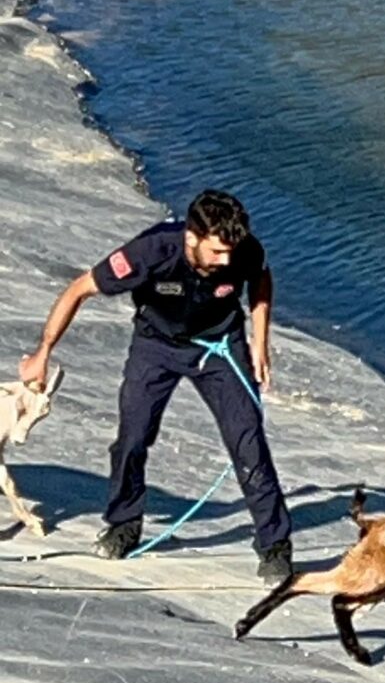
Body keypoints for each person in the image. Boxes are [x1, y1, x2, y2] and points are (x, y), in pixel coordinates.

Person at [19, 188, 292, 580]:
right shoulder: (150, 251)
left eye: (231, 252)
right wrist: (43, 352)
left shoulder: (242, 249)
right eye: (217, 252)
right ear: (192, 237)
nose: (226, 260)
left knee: (248, 442)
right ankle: (124, 523)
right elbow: (80, 288)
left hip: (218, 348)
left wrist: (259, 341)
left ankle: (275, 544)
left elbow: (260, 277)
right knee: (132, 438)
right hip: (155, 345)